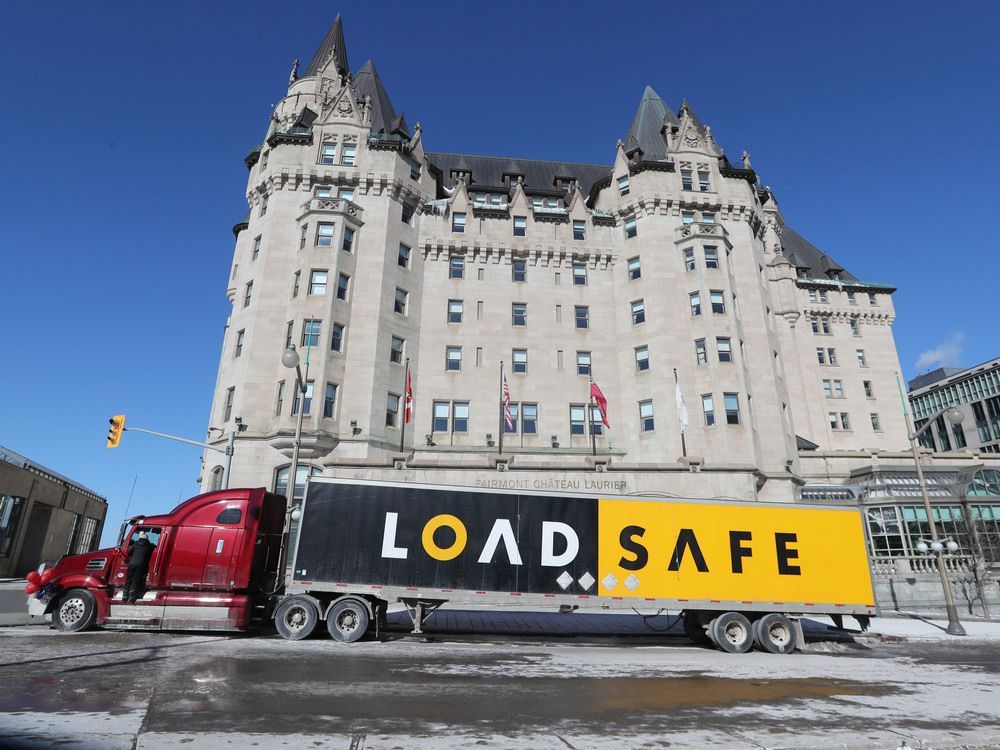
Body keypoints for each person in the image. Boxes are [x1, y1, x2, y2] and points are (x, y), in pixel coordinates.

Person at [122, 529, 155, 604]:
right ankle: (132, 597)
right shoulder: (149, 546)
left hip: (132, 564)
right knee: (136, 580)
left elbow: (129, 552)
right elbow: (153, 548)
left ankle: (124, 596)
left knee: (128, 579)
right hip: (141, 565)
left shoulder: (135, 544)